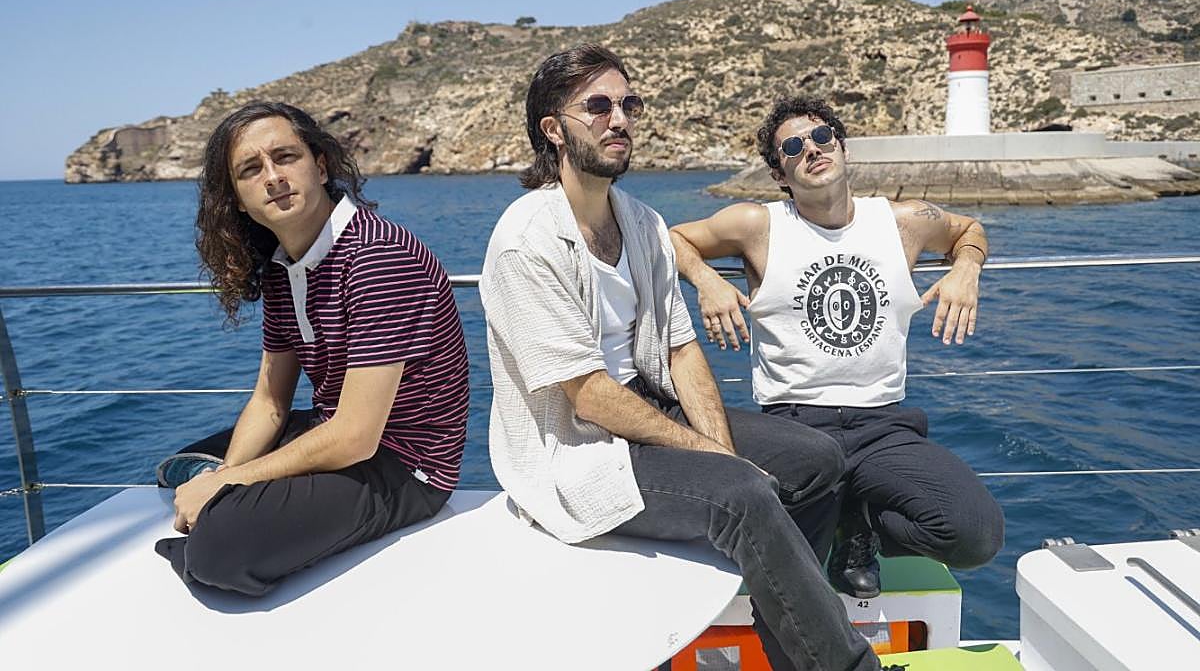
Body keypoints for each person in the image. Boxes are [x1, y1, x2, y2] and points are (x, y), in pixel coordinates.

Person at [480, 46, 879, 671]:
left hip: (649, 406)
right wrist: (717, 460)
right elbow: (585, 394)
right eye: (598, 106)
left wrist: (717, 443)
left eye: (628, 104)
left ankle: (791, 645)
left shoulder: (641, 222)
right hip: (579, 446)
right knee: (743, 493)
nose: (619, 119)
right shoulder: (526, 241)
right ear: (553, 130)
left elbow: (680, 347)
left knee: (818, 460)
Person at [669, 96, 1004, 599]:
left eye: (822, 136)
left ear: (843, 148)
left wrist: (966, 268)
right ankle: (836, 522)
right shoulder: (758, 225)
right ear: (780, 174)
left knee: (974, 535)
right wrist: (705, 280)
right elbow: (670, 237)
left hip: (882, 427)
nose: (812, 149)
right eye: (793, 147)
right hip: (794, 428)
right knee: (785, 579)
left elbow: (968, 230)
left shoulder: (902, 221)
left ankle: (860, 521)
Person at [154, 101, 469, 596]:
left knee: (221, 550)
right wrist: (230, 475)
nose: (273, 177)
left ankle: (200, 539)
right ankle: (214, 493)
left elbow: (357, 438)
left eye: (285, 157)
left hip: (405, 466)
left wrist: (224, 487)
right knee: (192, 467)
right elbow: (270, 400)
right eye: (251, 169)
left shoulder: (377, 258)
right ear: (237, 198)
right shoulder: (285, 267)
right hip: (338, 430)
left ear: (320, 166)